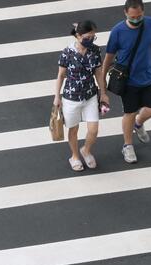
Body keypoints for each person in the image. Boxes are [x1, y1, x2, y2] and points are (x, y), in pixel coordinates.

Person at [101, 0, 151, 163]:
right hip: (128, 81)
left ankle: (139, 123)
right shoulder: (118, 31)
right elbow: (108, 58)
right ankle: (127, 146)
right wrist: (103, 82)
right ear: (125, 13)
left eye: (139, 16)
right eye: (133, 17)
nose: (136, 19)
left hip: (149, 77)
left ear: (144, 12)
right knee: (129, 113)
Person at [54, 20, 109, 171]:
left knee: (93, 129)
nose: (90, 40)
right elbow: (60, 75)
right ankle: (75, 156)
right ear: (78, 36)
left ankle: (86, 150)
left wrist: (103, 93)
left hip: (90, 95)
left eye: (93, 37)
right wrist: (57, 97)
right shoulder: (67, 52)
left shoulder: (95, 51)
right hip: (71, 98)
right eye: (87, 37)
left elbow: (98, 72)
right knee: (73, 129)